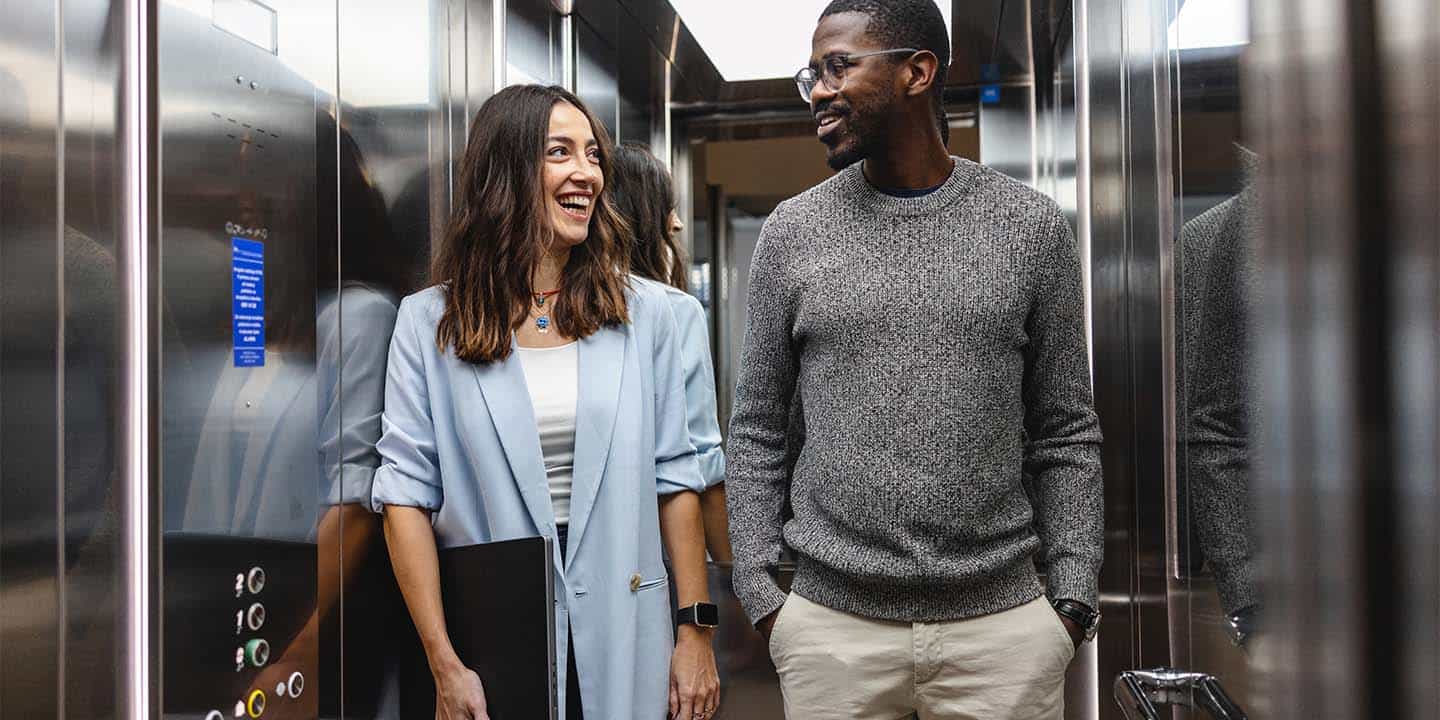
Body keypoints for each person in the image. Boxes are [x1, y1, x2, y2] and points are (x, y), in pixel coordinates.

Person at [724, 2, 1104, 719]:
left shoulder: (1029, 228)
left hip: (1004, 631)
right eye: (813, 73)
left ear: (917, 72)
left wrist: (1073, 598)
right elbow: (757, 430)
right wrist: (762, 592)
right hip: (831, 631)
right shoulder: (792, 233)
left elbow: (1066, 430)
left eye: (839, 66)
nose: (819, 91)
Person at [371, 85, 720, 720]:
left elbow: (677, 477)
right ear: (505, 171)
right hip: (496, 643)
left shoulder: (645, 316)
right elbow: (404, 498)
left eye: (592, 154)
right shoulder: (428, 323)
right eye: (560, 152)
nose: (586, 171)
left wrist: (695, 633)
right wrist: (443, 661)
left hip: (628, 628)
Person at [608, 142, 731, 563]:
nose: (676, 224)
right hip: (663, 559)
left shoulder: (549, 308)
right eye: (665, 207)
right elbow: (703, 462)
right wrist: (733, 579)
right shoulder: (675, 309)